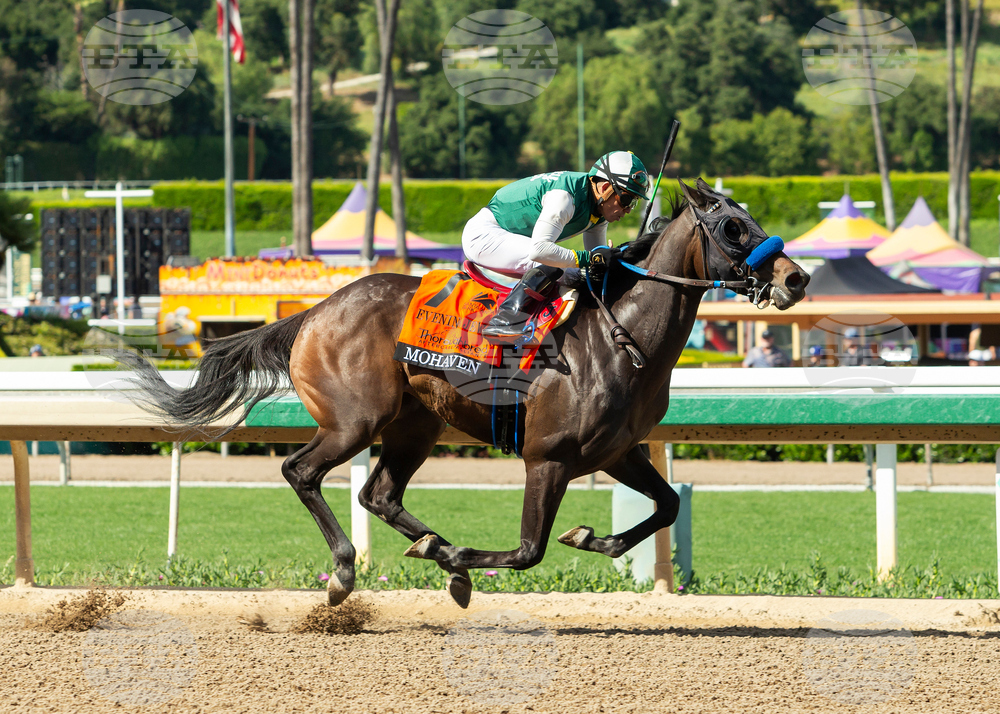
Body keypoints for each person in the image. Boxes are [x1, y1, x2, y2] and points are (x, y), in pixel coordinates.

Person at [462, 151, 650, 343]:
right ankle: (505, 320)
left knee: (579, 274)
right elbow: (540, 250)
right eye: (626, 200)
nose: (628, 210)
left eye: (634, 203)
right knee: (555, 263)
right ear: (604, 188)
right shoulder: (565, 197)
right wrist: (590, 259)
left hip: (506, 236)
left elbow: (595, 263)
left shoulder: (598, 211)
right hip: (483, 235)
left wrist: (610, 260)